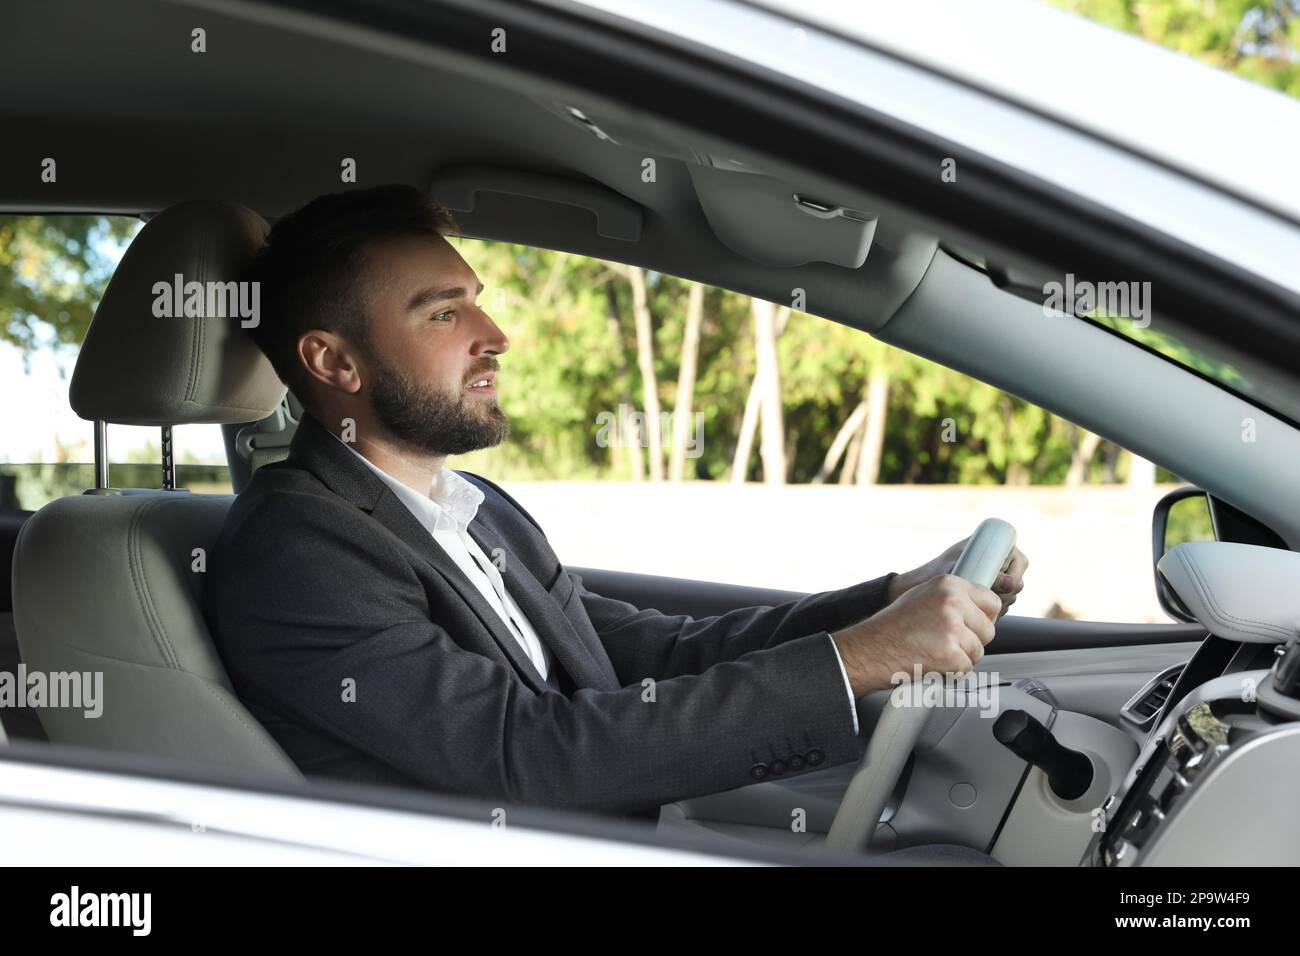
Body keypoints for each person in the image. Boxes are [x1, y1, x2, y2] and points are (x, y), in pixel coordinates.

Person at [204, 185, 1027, 826]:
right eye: (444, 313)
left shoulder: (467, 504)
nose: (495, 334)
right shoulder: (302, 550)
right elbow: (524, 757)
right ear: (334, 362)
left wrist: (887, 603)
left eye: (475, 298)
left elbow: (646, 652)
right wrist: (855, 661)